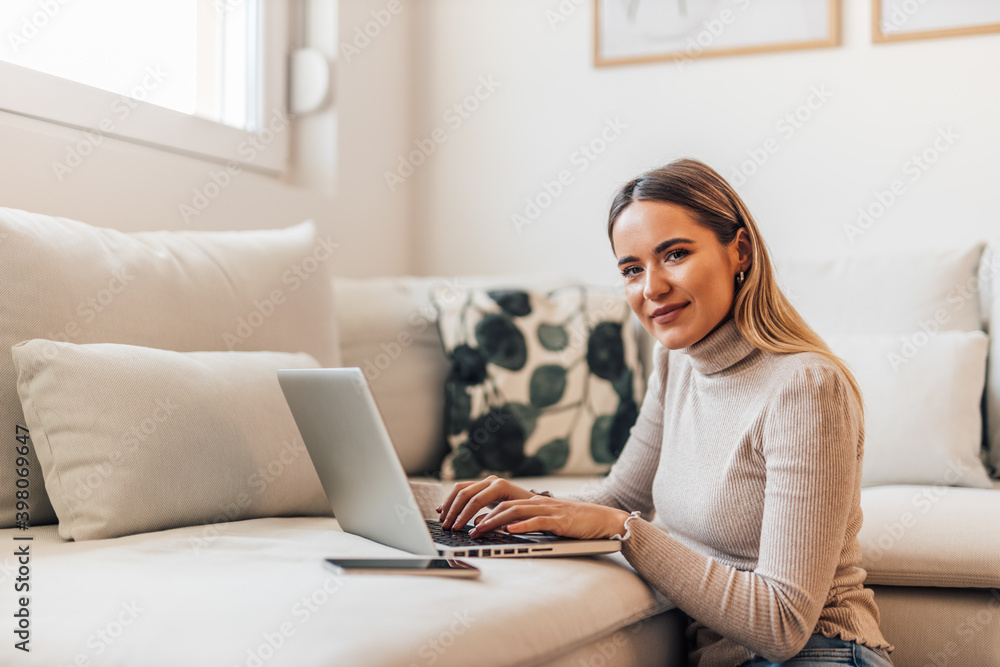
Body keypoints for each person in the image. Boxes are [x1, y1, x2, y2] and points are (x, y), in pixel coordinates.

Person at [436, 158, 897, 667]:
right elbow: (616, 498)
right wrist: (523, 505)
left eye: (674, 254)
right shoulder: (676, 363)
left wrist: (624, 529)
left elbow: (782, 624)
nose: (651, 288)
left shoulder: (806, 386)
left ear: (739, 250)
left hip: (820, 654)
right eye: (632, 269)